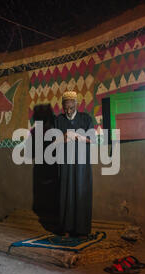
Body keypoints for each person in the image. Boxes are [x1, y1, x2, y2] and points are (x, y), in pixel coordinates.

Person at [54, 91, 95, 238]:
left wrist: (77, 136)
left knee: (81, 192)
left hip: (81, 164)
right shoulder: (59, 120)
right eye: (66, 108)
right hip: (65, 164)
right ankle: (66, 228)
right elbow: (54, 141)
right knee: (65, 193)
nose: (68, 111)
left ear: (76, 105)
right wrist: (65, 136)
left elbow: (93, 139)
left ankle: (81, 230)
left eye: (71, 108)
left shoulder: (85, 119)